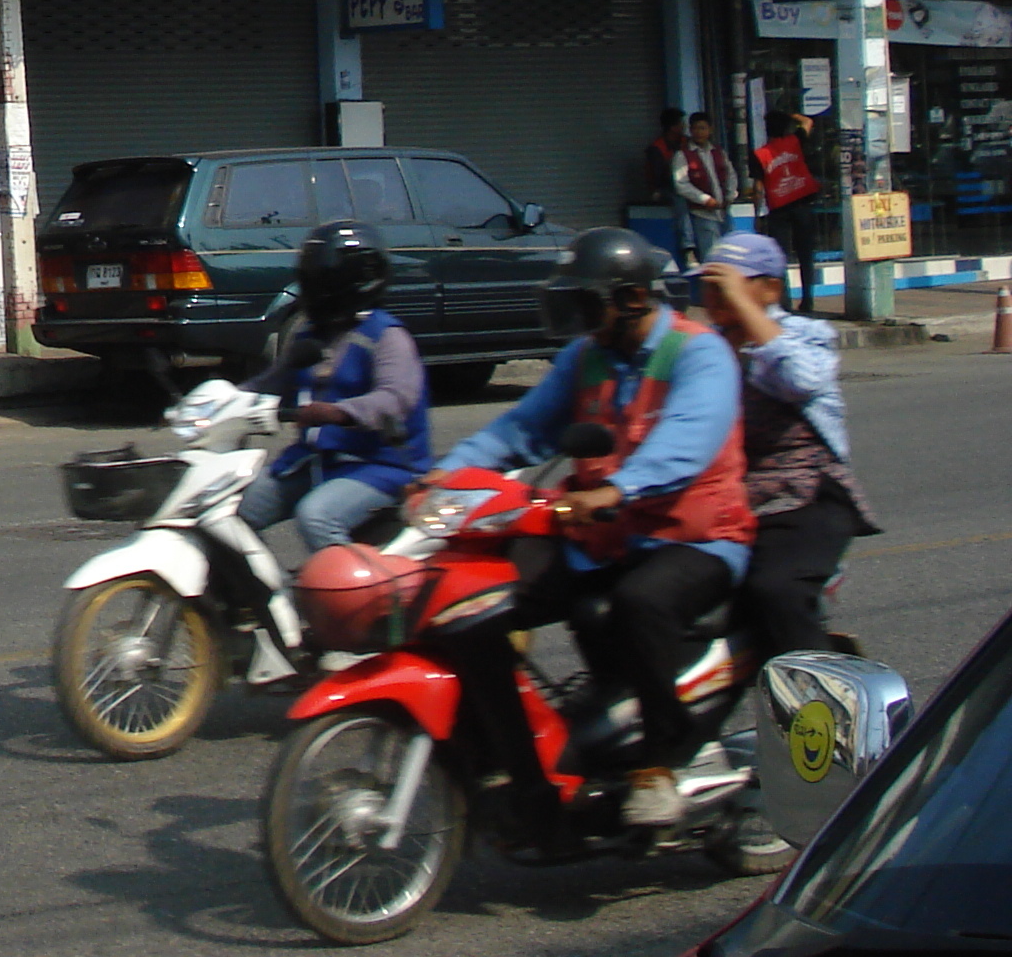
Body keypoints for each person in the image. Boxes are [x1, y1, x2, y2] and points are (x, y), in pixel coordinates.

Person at [425, 226, 752, 828]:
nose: (579, 315)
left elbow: (687, 442)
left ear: (632, 298)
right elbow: (519, 430)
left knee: (638, 601)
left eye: (588, 301)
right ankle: (520, 766)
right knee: (475, 604)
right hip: (602, 535)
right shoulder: (586, 357)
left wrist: (616, 489)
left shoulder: (699, 351)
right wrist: (442, 478)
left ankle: (659, 764)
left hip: (695, 537)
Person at [696, 232, 878, 663]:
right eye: (708, 286)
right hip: (727, 499)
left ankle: (822, 703)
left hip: (805, 496)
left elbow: (801, 381)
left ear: (770, 288)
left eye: (728, 284)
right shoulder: (703, 347)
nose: (714, 296)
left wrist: (745, 310)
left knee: (774, 590)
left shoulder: (804, 335)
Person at [236, 221, 434, 551]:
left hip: (381, 466)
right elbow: (271, 382)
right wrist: (221, 401)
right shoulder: (311, 336)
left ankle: (343, 598)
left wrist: (339, 412)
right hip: (314, 460)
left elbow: (396, 398)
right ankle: (262, 598)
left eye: (322, 276)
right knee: (234, 510)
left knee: (317, 516)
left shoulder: (387, 336)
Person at [754, 111, 823, 309]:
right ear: (786, 128)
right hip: (802, 205)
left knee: (780, 256)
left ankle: (785, 302)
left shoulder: (760, 154)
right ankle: (808, 298)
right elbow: (808, 122)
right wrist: (791, 114)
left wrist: (758, 214)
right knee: (805, 254)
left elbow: (758, 189)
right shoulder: (796, 141)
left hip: (778, 210)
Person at [671, 112, 736, 268]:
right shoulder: (683, 155)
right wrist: (704, 199)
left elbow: (730, 175)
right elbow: (681, 184)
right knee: (712, 260)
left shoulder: (718, 152)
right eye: (695, 129)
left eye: (703, 128)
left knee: (729, 257)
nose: (699, 132)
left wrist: (730, 194)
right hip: (702, 214)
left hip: (723, 212)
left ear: (710, 130)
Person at [641, 106, 689, 216]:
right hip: (668, 189)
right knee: (680, 200)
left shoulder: (687, 142)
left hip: (688, 186)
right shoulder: (657, 148)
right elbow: (659, 177)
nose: (685, 127)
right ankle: (685, 232)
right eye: (681, 123)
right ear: (673, 127)